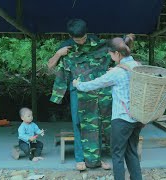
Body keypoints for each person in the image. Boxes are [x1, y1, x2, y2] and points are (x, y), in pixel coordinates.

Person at [73, 35, 144, 180]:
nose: (110, 56)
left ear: (117, 54)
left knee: (117, 155)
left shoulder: (116, 72)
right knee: (131, 152)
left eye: (110, 54)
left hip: (121, 119)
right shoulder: (137, 66)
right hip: (137, 118)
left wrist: (77, 85)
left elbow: (94, 84)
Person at [48, 19, 112, 170]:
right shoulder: (65, 47)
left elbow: (115, 54)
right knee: (78, 123)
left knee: (97, 123)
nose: (82, 42)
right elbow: (50, 66)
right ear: (71, 36)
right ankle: (80, 158)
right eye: (78, 40)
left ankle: (97, 158)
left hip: (97, 90)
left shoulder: (96, 42)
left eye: (84, 38)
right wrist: (58, 54)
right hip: (77, 90)